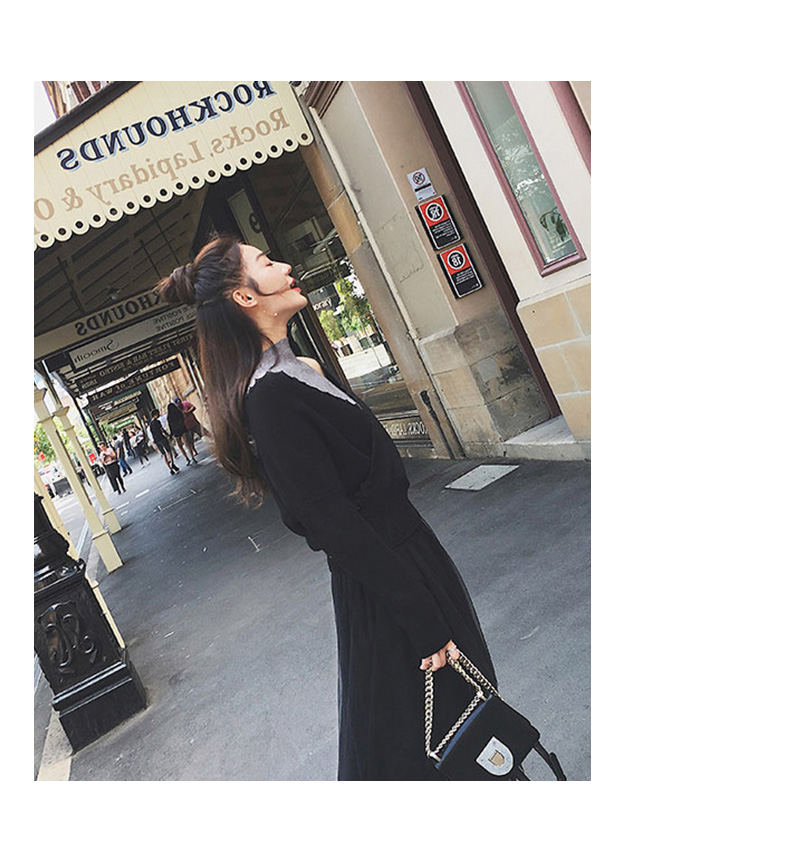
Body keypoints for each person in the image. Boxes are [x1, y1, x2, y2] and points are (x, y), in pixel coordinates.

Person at [155, 235, 496, 781]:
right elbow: (332, 522)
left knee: (463, 729)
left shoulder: (300, 368)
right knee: (433, 747)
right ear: (245, 296)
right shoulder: (269, 397)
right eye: (266, 262)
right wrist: (422, 620)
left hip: (409, 559)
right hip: (386, 587)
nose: (286, 265)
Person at [148, 409, 179, 475]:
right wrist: (168, 435)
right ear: (155, 414)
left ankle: (170, 469)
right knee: (169, 451)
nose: (159, 414)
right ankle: (172, 463)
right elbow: (162, 430)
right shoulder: (157, 422)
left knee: (164, 454)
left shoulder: (150, 424)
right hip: (162, 438)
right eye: (158, 413)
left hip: (156, 441)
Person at [167, 399, 198, 465]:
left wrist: (171, 434)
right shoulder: (179, 412)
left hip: (176, 432)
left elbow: (170, 426)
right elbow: (183, 419)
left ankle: (187, 458)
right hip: (183, 429)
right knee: (187, 444)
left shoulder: (169, 417)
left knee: (180, 446)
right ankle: (192, 457)